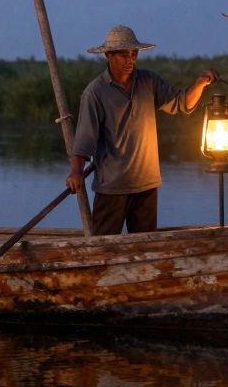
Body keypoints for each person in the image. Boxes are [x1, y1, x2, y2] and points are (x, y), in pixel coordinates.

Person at [65, 25, 219, 235]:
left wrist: (200, 84)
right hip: (112, 188)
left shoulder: (148, 81)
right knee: (104, 249)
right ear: (108, 56)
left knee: (145, 248)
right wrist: (76, 173)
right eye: (124, 55)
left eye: (134, 54)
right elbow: (84, 142)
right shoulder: (95, 93)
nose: (130, 60)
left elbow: (182, 103)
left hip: (146, 184)